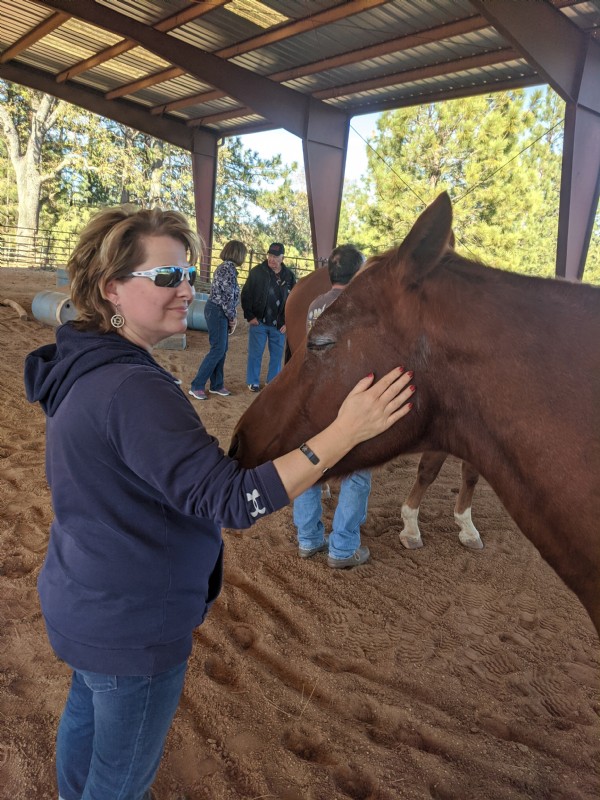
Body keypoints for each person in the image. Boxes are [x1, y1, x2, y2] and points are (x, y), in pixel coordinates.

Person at [23, 207, 415, 800]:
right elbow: (233, 500)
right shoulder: (133, 390)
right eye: (165, 276)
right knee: (119, 779)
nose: (187, 290)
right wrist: (346, 432)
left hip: (84, 596)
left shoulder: (86, 363)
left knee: (86, 718)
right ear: (111, 289)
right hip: (132, 623)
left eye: (188, 274)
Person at [293, 245, 374, 569]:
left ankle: (308, 538)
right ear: (358, 273)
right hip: (347, 400)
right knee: (357, 474)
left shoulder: (315, 304)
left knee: (311, 466)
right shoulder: (361, 307)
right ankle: (343, 547)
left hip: (314, 398)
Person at [189, 239, 246, 400]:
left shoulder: (227, 269)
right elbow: (226, 298)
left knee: (221, 348)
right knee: (218, 349)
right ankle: (197, 385)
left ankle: (217, 384)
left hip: (218, 311)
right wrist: (232, 317)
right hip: (218, 311)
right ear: (238, 254)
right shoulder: (227, 270)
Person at [241, 241, 296, 392]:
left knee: (277, 356)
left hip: (279, 324)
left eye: (276, 257)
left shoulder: (289, 276)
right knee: (255, 353)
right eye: (270, 255)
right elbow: (246, 295)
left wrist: (288, 322)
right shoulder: (257, 272)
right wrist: (250, 316)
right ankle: (253, 381)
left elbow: (294, 301)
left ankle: (272, 382)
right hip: (259, 320)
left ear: (282, 258)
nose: (272, 259)